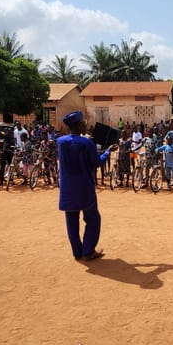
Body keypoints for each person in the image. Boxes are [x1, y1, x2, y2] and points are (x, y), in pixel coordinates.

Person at [57, 111, 115, 261]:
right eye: (83, 123)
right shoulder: (87, 143)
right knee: (93, 219)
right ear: (77, 125)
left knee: (71, 222)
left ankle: (77, 252)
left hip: (67, 189)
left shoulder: (61, 142)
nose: (85, 125)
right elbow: (96, 163)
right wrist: (107, 152)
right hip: (84, 188)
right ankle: (88, 251)